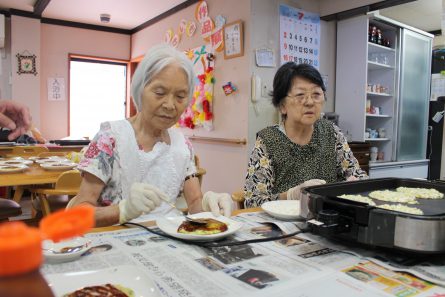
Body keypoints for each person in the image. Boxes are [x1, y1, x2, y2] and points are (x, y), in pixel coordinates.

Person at [67, 44, 232, 226]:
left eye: (180, 96)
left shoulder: (182, 145)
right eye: (160, 93)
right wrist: (123, 210)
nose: (170, 105)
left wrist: (209, 203)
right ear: (140, 89)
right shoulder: (110, 139)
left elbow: (194, 203)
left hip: (170, 239)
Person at [244, 62, 368, 208]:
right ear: (282, 106)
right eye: (300, 95)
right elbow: (252, 203)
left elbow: (358, 176)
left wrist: (355, 184)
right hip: (282, 224)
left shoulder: (332, 132)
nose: (309, 102)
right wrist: (290, 195)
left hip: (325, 220)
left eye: (316, 94)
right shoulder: (268, 140)